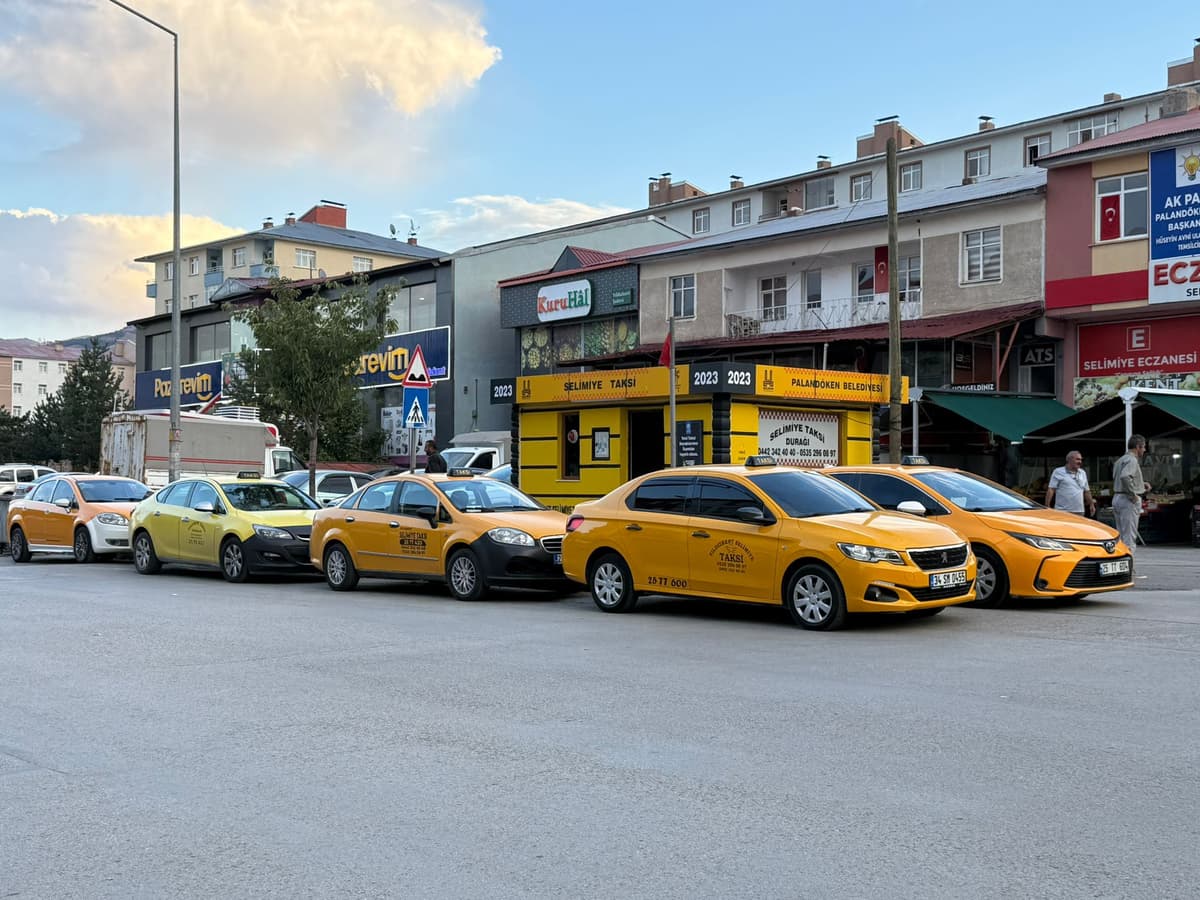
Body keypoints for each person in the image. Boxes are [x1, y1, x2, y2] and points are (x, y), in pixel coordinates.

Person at [1112, 434, 1151, 561]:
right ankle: (1128, 566)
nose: (1144, 450)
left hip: (1117, 496)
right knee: (1129, 536)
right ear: (1138, 447)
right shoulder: (1132, 460)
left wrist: (1140, 484)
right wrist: (1132, 495)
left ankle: (1121, 563)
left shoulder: (1120, 460)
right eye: (1143, 447)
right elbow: (1125, 476)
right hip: (1127, 499)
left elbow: (1121, 478)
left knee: (1121, 535)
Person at [1045, 450, 1096, 517]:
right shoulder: (1058, 471)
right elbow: (1051, 489)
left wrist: (1091, 504)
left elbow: (1087, 491)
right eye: (1077, 459)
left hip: (1079, 511)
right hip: (1062, 511)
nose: (1080, 462)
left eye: (1081, 460)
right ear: (1069, 460)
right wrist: (1047, 505)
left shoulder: (1082, 473)